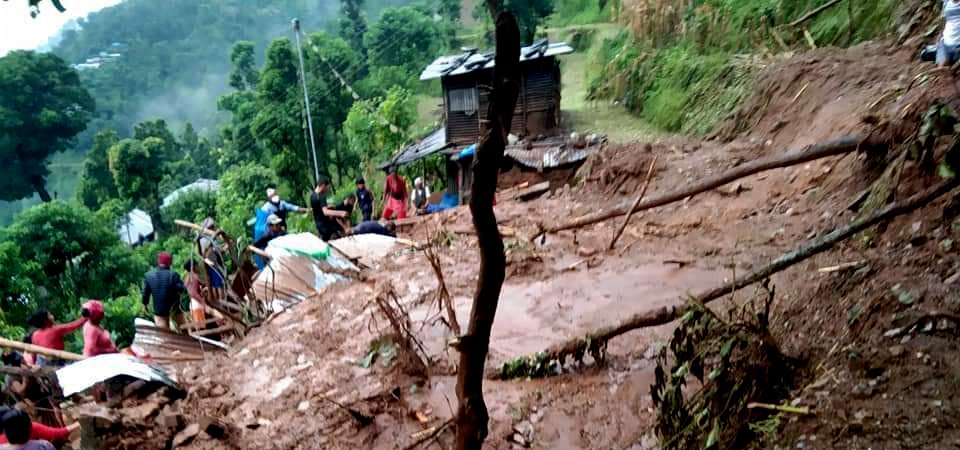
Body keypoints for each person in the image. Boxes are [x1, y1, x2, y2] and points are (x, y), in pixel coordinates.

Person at [142, 251, 187, 331]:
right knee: (184, 331)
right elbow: (183, 290)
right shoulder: (173, 275)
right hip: (175, 309)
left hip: (160, 311)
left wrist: (145, 305)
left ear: (158, 262)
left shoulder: (148, 276)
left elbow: (145, 294)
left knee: (164, 335)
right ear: (170, 262)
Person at [196, 218, 226, 304]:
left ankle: (219, 303)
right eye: (212, 227)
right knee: (219, 286)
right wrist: (223, 249)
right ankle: (223, 303)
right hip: (214, 264)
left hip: (210, 265)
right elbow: (213, 251)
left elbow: (203, 253)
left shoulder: (203, 239)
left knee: (215, 285)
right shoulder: (207, 239)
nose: (213, 228)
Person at [939, 0, 960, 66]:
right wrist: (940, 34)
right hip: (946, 40)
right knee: (941, 67)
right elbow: (943, 19)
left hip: (958, 43)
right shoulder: (946, 2)